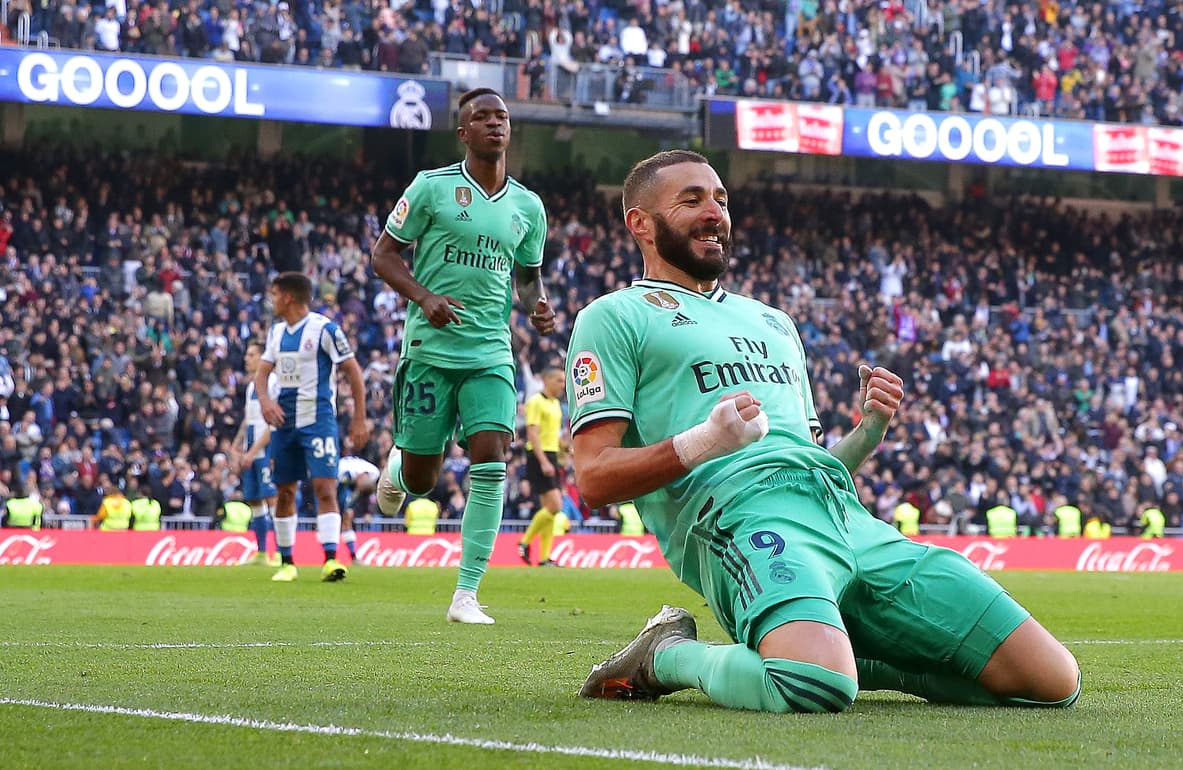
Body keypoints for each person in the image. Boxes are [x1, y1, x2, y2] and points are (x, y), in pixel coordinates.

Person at [569, 150, 1080, 714]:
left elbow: (805, 462)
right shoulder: (613, 317)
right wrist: (704, 442)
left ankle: (847, 660)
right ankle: (664, 654)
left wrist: (866, 434)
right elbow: (594, 478)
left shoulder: (774, 322)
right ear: (639, 222)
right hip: (738, 520)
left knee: (1052, 681)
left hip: (844, 516)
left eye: (720, 200)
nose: (713, 212)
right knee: (811, 687)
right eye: (690, 201)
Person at [370, 87, 555, 624]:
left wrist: (537, 307)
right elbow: (383, 256)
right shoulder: (432, 188)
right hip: (430, 349)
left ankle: (466, 594)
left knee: (491, 456)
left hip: (490, 351)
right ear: (463, 132)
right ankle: (400, 470)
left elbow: (527, 279)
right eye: (482, 117)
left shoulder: (528, 206)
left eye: (502, 116)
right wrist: (424, 297)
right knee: (425, 479)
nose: (495, 124)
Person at [255, 272, 370, 583]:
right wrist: (265, 401)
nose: (272, 299)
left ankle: (331, 559)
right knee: (284, 491)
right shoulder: (277, 333)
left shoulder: (325, 329)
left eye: (275, 294)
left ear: (288, 297)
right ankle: (287, 561)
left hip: (318, 420)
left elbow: (353, 372)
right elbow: (262, 374)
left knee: (325, 487)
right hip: (284, 423)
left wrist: (360, 418)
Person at [232, 341, 279, 566]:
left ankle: (281, 552)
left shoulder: (272, 382)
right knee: (254, 499)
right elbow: (248, 419)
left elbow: (274, 423)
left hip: (266, 449)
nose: (246, 358)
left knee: (273, 499)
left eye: (251, 354)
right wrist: (236, 445)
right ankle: (261, 552)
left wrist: (253, 451)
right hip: (252, 449)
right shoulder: (253, 386)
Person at [518, 368, 567, 567]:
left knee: (551, 510)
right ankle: (524, 542)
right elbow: (533, 434)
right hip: (539, 456)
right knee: (556, 506)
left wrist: (566, 448)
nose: (562, 385)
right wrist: (544, 461)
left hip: (552, 454)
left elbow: (552, 434)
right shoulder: (536, 402)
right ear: (546, 380)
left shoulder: (556, 404)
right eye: (559, 380)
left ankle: (545, 557)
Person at [336, 454, 380, 563]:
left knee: (347, 518)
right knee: (339, 515)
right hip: (336, 482)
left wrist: (367, 511)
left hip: (349, 484)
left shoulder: (375, 473)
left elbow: (367, 494)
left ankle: (352, 556)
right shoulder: (345, 473)